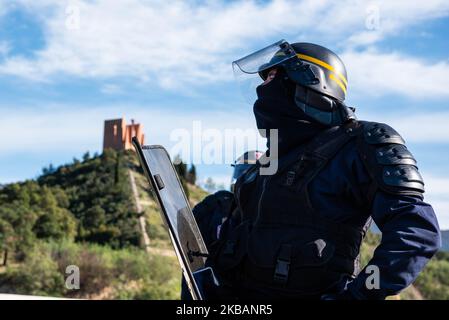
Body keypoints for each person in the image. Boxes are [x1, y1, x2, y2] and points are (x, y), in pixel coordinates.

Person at [206, 40, 441, 300]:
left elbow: (416, 234)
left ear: (310, 80)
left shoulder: (361, 143)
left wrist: (358, 295)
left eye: (272, 76)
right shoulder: (268, 162)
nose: (263, 87)